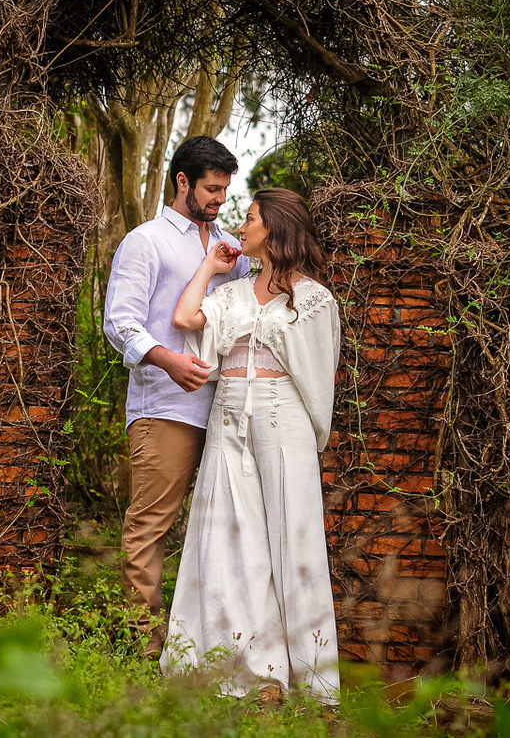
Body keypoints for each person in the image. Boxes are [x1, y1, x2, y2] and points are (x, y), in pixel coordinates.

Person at [160, 187, 341, 705]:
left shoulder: (315, 300)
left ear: (275, 228)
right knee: (228, 541)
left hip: (285, 421)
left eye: (251, 218)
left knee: (293, 542)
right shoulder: (234, 292)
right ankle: (249, 670)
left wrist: (309, 438)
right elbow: (185, 319)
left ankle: (315, 680)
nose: (241, 226)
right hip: (227, 420)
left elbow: (318, 377)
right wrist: (209, 267)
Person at [102, 135, 251, 657]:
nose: (220, 200)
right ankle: (144, 649)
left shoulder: (232, 248)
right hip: (167, 408)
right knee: (151, 526)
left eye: (225, 190)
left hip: (230, 409)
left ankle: (210, 650)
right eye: (211, 189)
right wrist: (169, 360)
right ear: (182, 181)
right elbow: (120, 323)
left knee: (225, 530)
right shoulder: (146, 242)